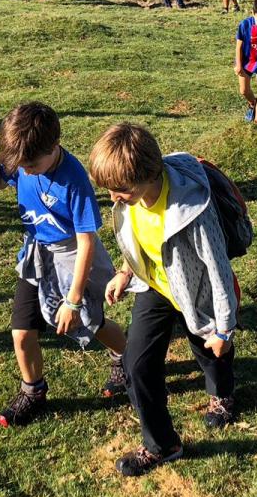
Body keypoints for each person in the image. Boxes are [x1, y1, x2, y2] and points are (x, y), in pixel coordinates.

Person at [88, 122, 239, 477]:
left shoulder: (193, 209)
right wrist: (125, 272)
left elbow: (218, 270)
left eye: (120, 190)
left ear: (146, 177)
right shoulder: (131, 194)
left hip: (196, 292)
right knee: (135, 365)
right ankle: (162, 444)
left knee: (211, 351)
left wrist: (224, 329)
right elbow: (136, 237)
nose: (113, 198)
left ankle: (223, 393)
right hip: (155, 286)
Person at [0, 102, 129, 427]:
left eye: (31, 166)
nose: (25, 171)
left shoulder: (73, 181)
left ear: (54, 146)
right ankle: (33, 390)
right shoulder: (26, 159)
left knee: (89, 323)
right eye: (21, 166)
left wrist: (72, 299)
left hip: (72, 255)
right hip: (37, 253)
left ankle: (127, 357)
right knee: (21, 331)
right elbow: (0, 179)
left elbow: (86, 244)